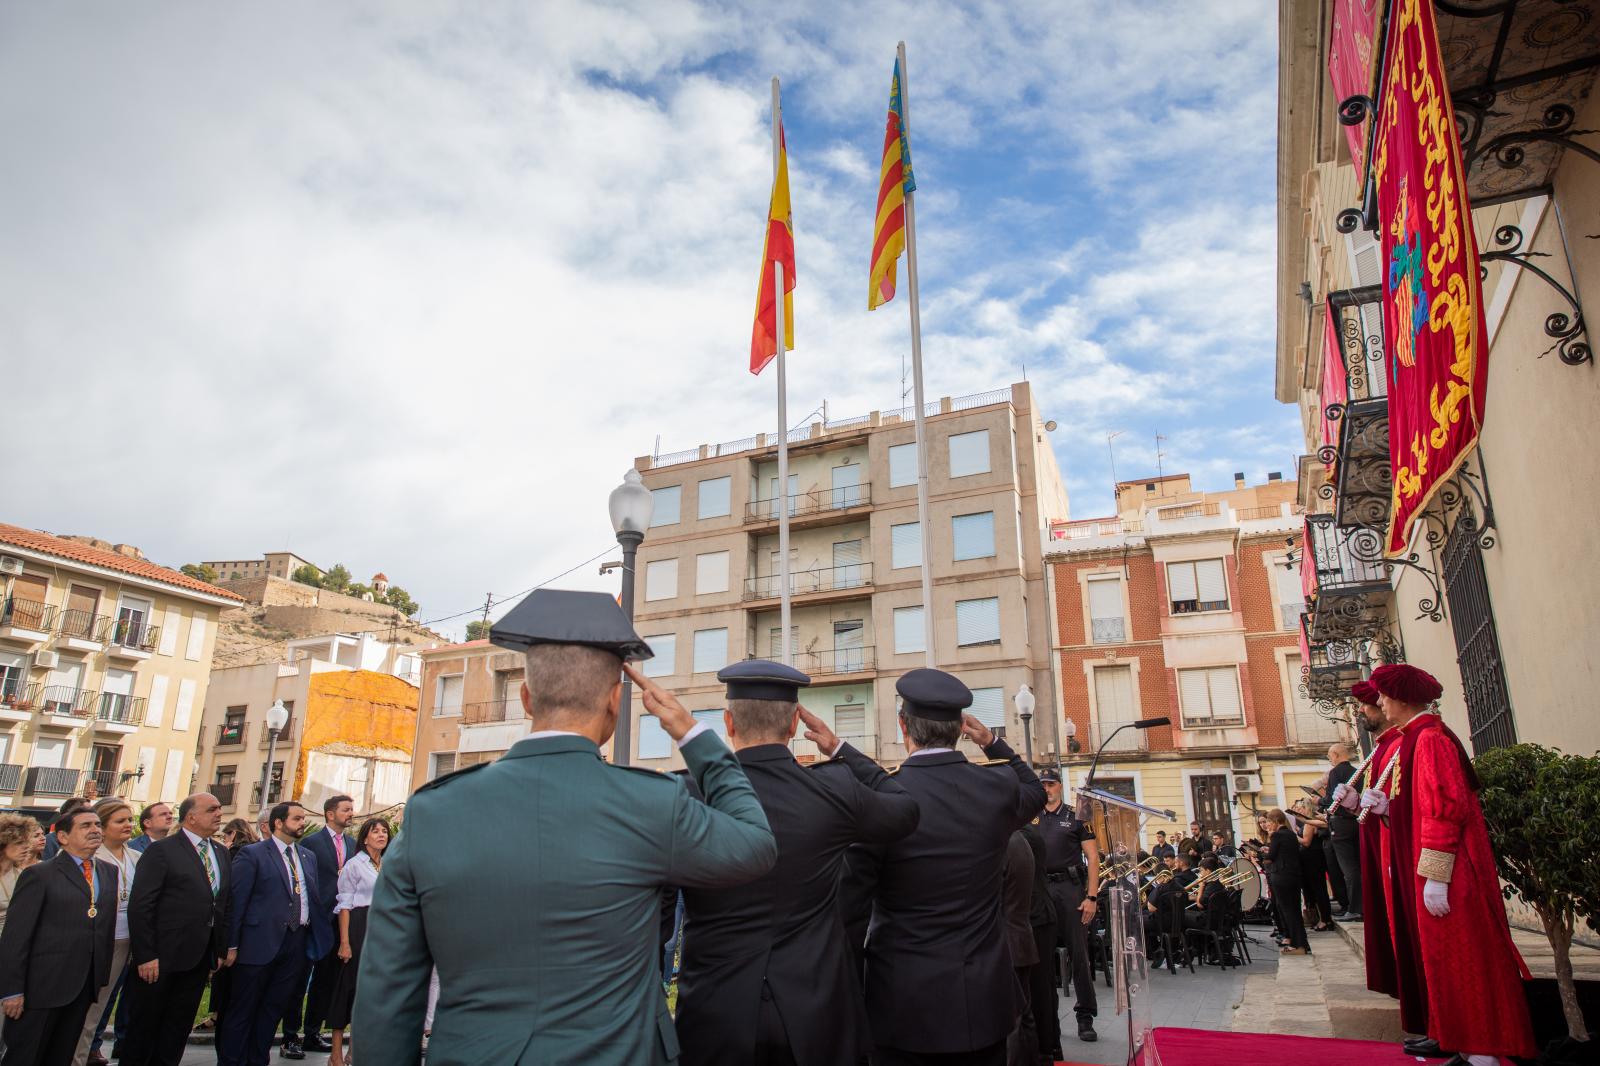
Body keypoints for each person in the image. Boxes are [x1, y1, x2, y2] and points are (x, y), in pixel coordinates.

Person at [355, 587, 777, 1065]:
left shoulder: (432, 812)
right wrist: (692, 733)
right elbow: (755, 844)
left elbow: (386, 995)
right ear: (616, 702)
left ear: (526, 697)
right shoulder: (651, 803)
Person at [671, 660, 919, 1066]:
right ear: (793, 726)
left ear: (728, 723)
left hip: (716, 1013)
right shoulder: (833, 787)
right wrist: (840, 750)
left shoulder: (688, 794)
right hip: (815, 1012)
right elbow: (905, 809)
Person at [840, 668, 1045, 1066]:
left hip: (903, 1003)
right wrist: (991, 742)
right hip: (984, 1000)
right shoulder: (997, 786)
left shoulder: (882, 797)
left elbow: (850, 910)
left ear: (904, 726)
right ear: (960, 729)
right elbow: (1035, 790)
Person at [1338, 663, 1534, 1066]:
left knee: (1461, 957)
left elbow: (1445, 810)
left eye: (1386, 696)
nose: (1381, 703)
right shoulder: (1415, 738)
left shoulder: (1430, 739)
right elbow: (1417, 806)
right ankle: (1464, 1043)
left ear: (1404, 699)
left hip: (1449, 870)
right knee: (1444, 960)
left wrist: (1437, 877)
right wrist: (1382, 808)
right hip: (1431, 866)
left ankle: (1482, 1050)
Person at [0, 807, 118, 1066]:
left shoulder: (109, 872)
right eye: (85, 826)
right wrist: (12, 990)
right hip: (40, 987)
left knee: (60, 1056)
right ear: (63, 837)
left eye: (97, 824)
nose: (95, 830)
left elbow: (105, 927)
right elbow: (16, 937)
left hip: (83, 985)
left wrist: (99, 976)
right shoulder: (40, 875)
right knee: (26, 1057)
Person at [120, 793, 230, 1066]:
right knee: (145, 1028)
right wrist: (145, 955)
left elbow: (222, 904)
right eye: (212, 809)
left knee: (177, 1027)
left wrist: (218, 948)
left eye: (219, 809)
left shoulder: (220, 852)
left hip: (198, 957)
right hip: (161, 958)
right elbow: (141, 905)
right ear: (191, 816)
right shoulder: (163, 850)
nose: (219, 813)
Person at [219, 802, 331, 1066]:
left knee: (272, 1009)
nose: (303, 822)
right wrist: (231, 945)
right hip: (258, 944)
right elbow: (237, 901)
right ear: (278, 823)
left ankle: (258, 1060)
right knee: (243, 1009)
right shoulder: (253, 854)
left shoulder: (307, 856)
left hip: (296, 943)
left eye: (303, 818)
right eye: (297, 818)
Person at [280, 794, 355, 1059]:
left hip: (339, 924)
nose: (351, 813)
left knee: (326, 981)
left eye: (351, 809)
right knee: (299, 980)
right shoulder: (310, 843)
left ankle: (313, 1031)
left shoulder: (352, 843)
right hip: (313, 920)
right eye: (346, 809)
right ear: (330, 814)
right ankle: (290, 1035)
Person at [1034, 768, 1099, 1047]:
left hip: (1070, 889)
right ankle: (1047, 1019)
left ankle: (1085, 1016)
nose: (1046, 789)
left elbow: (1093, 858)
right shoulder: (1030, 817)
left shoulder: (1077, 816)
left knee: (1079, 953)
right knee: (1041, 956)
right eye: (1043, 785)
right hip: (1040, 889)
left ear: (1060, 786)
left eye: (1050, 784)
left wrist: (1092, 897)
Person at [73, 800, 140, 1066]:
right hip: (95, 940)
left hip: (126, 940)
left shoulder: (136, 857)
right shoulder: (90, 856)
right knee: (86, 1008)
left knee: (102, 1007)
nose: (128, 825)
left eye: (129, 820)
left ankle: (84, 1053)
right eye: (120, 821)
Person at [326, 816, 388, 1066]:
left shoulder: (389, 865)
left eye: (384, 831)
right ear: (365, 837)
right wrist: (344, 942)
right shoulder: (354, 865)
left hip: (384, 930)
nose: (382, 835)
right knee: (348, 987)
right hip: (359, 926)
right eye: (376, 831)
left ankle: (356, 1049)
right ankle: (335, 1053)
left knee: (371, 992)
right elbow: (345, 904)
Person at [207, 820, 258, 1055]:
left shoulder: (235, 853)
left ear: (233, 834)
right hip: (240, 939)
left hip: (236, 938)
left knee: (233, 1001)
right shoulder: (247, 853)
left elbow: (233, 898)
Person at [1001, 829, 1038, 1066]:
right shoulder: (1018, 840)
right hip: (1020, 937)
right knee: (1024, 1017)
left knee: (1011, 1021)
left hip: (1007, 941)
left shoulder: (1004, 842)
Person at [1322, 738, 1363, 922]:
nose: (1330, 759)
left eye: (1330, 756)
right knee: (1359, 866)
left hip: (1340, 824)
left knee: (1349, 869)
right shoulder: (1357, 772)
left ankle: (1354, 908)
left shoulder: (1335, 773)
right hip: (1357, 821)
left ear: (1336, 755)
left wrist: (1319, 801)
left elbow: (1332, 799)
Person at [1261, 809, 1308, 954]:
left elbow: (1271, 857)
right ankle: (1301, 943)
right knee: (1294, 911)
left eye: (1268, 821)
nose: (1267, 825)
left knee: (1288, 911)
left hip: (1281, 876)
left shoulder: (1277, 835)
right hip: (1293, 876)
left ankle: (1297, 945)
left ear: (1275, 821)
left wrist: (1262, 853)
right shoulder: (1290, 834)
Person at [0, 815, 42, 937]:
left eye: (26, 842)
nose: (25, 848)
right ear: (3, 844)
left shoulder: (24, 875)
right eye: (19, 843)